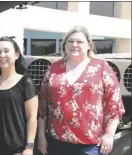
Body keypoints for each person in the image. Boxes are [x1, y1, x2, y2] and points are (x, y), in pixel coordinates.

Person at [37, 26, 125, 155]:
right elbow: (42, 105)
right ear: (64, 45)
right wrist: (40, 136)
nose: (74, 45)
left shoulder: (101, 67)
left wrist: (109, 134)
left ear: (89, 45)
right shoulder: (54, 68)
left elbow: (114, 103)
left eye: (79, 41)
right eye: (70, 41)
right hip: (57, 144)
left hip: (90, 146)